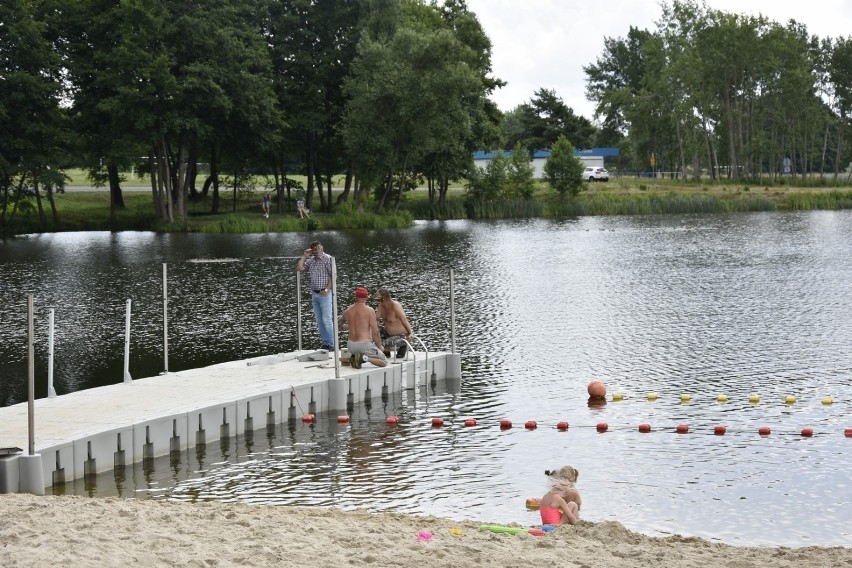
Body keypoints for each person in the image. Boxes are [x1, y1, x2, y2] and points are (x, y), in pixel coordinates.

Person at [296, 241, 334, 350]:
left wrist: (327, 288)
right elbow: (299, 268)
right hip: (315, 293)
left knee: (327, 320)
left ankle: (332, 344)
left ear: (321, 248)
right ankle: (325, 343)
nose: (317, 251)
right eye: (314, 250)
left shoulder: (328, 259)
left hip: (325, 293)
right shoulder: (311, 261)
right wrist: (304, 256)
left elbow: (334, 275)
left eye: (318, 249)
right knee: (319, 320)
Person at [338, 287, 387, 369]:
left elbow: (339, 325)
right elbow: (375, 332)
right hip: (364, 345)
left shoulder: (348, 310)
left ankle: (356, 357)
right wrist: (380, 346)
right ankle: (364, 358)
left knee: (370, 351)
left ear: (355, 297)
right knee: (384, 361)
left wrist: (348, 326)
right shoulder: (370, 311)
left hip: (351, 346)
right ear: (367, 298)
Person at [375, 287, 413, 358]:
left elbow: (404, 319)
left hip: (401, 336)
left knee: (381, 345)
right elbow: (375, 319)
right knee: (374, 327)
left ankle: (403, 346)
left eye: (378, 299)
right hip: (388, 335)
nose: (377, 301)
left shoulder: (395, 305)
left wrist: (410, 332)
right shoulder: (381, 306)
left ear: (383, 298)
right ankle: (386, 352)